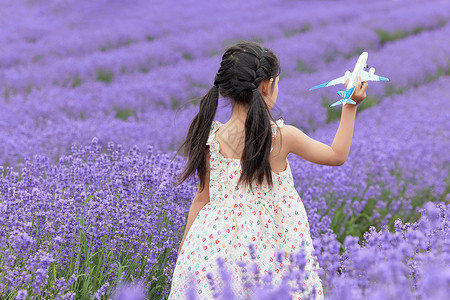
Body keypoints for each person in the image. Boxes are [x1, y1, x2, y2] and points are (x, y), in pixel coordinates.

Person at [169, 41, 368, 299]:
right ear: (267, 85)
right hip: (272, 248)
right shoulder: (281, 138)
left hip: (212, 249)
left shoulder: (212, 140)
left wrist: (183, 259)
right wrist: (350, 103)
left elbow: (201, 199)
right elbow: (336, 155)